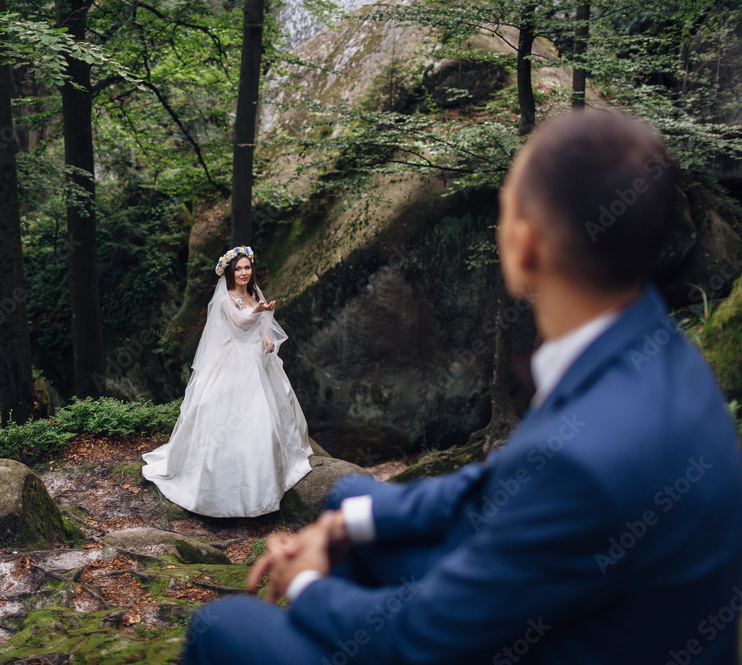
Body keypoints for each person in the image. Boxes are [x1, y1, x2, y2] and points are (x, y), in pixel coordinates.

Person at [181, 111, 742, 663]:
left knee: (223, 625)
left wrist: (307, 586)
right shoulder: (658, 353)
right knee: (351, 501)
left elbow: (422, 637)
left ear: (525, 248)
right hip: (577, 602)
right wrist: (351, 520)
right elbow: (492, 485)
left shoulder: (584, 461)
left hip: (494, 636)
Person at [142, 246, 313, 518]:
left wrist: (266, 336)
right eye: (239, 269)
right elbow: (240, 325)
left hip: (257, 359)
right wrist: (257, 312)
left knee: (268, 414)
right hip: (234, 361)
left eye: (247, 267)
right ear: (230, 273)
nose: (244, 272)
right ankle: (225, 490)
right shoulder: (226, 299)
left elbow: (257, 327)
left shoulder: (253, 293)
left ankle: (271, 477)